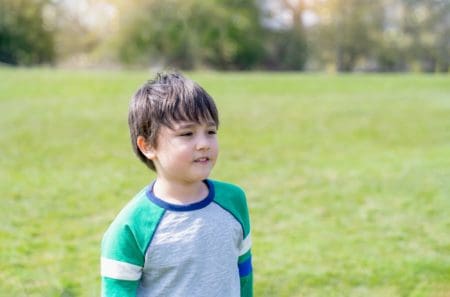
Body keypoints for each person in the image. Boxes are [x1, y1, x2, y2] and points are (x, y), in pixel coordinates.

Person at [101, 72, 253, 296]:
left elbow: (244, 273)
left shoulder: (234, 201)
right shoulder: (131, 226)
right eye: (187, 134)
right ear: (148, 146)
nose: (203, 144)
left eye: (210, 132)